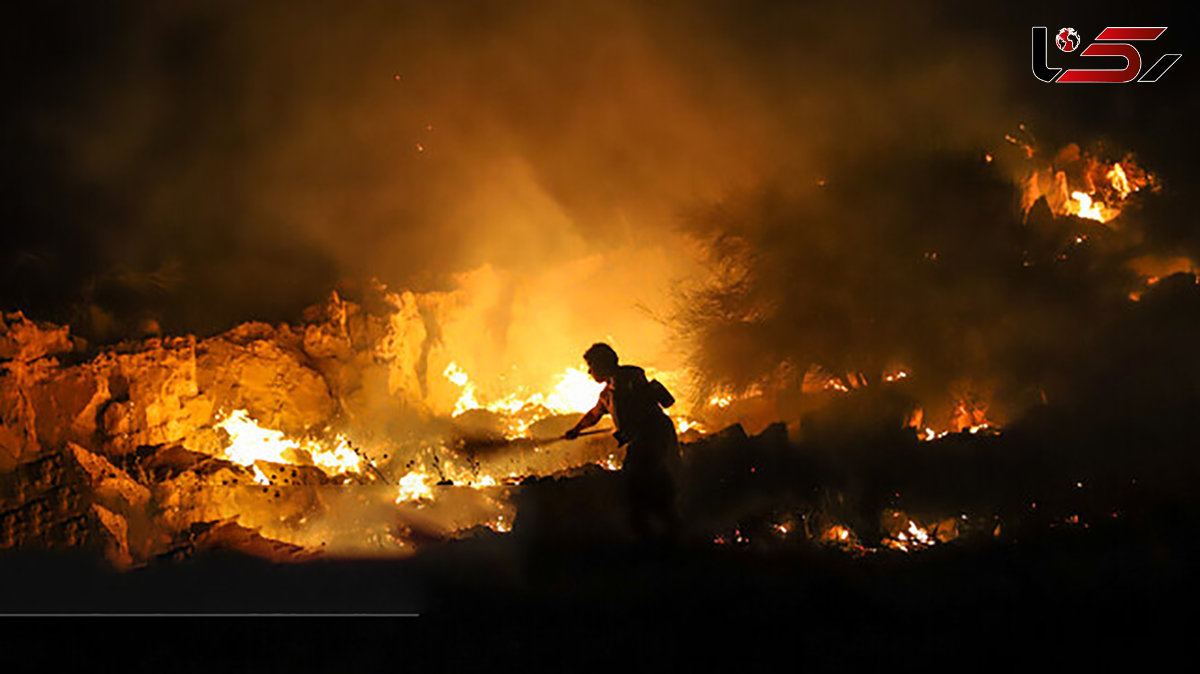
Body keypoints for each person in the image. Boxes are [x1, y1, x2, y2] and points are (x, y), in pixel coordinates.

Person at [563, 343, 681, 541]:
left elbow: (637, 395)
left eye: (592, 365)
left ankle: (661, 535)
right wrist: (576, 429)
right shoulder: (608, 392)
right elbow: (595, 414)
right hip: (643, 440)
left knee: (643, 481)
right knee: (647, 481)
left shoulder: (630, 378)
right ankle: (662, 531)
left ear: (603, 364)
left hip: (652, 436)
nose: (589, 371)